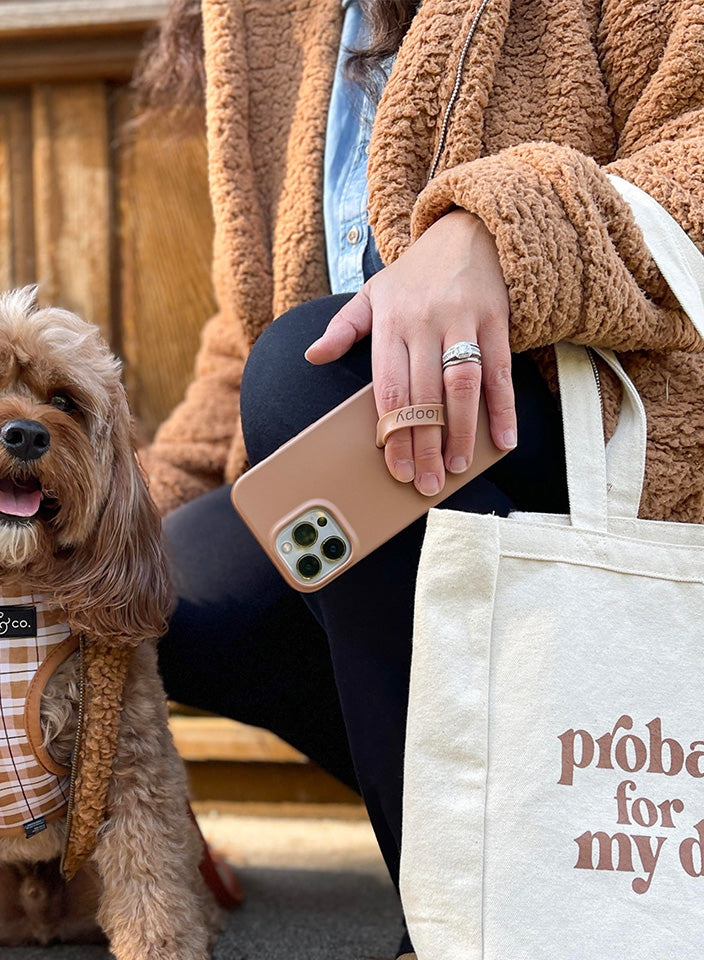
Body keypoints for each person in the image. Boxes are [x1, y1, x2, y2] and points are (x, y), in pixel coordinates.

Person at [138, 0, 704, 955]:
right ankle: (532, 845)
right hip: (411, 469)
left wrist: (504, 232)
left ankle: (471, 928)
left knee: (320, 394)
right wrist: (92, 534)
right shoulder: (263, 15)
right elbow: (253, 327)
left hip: (615, 438)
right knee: (158, 581)